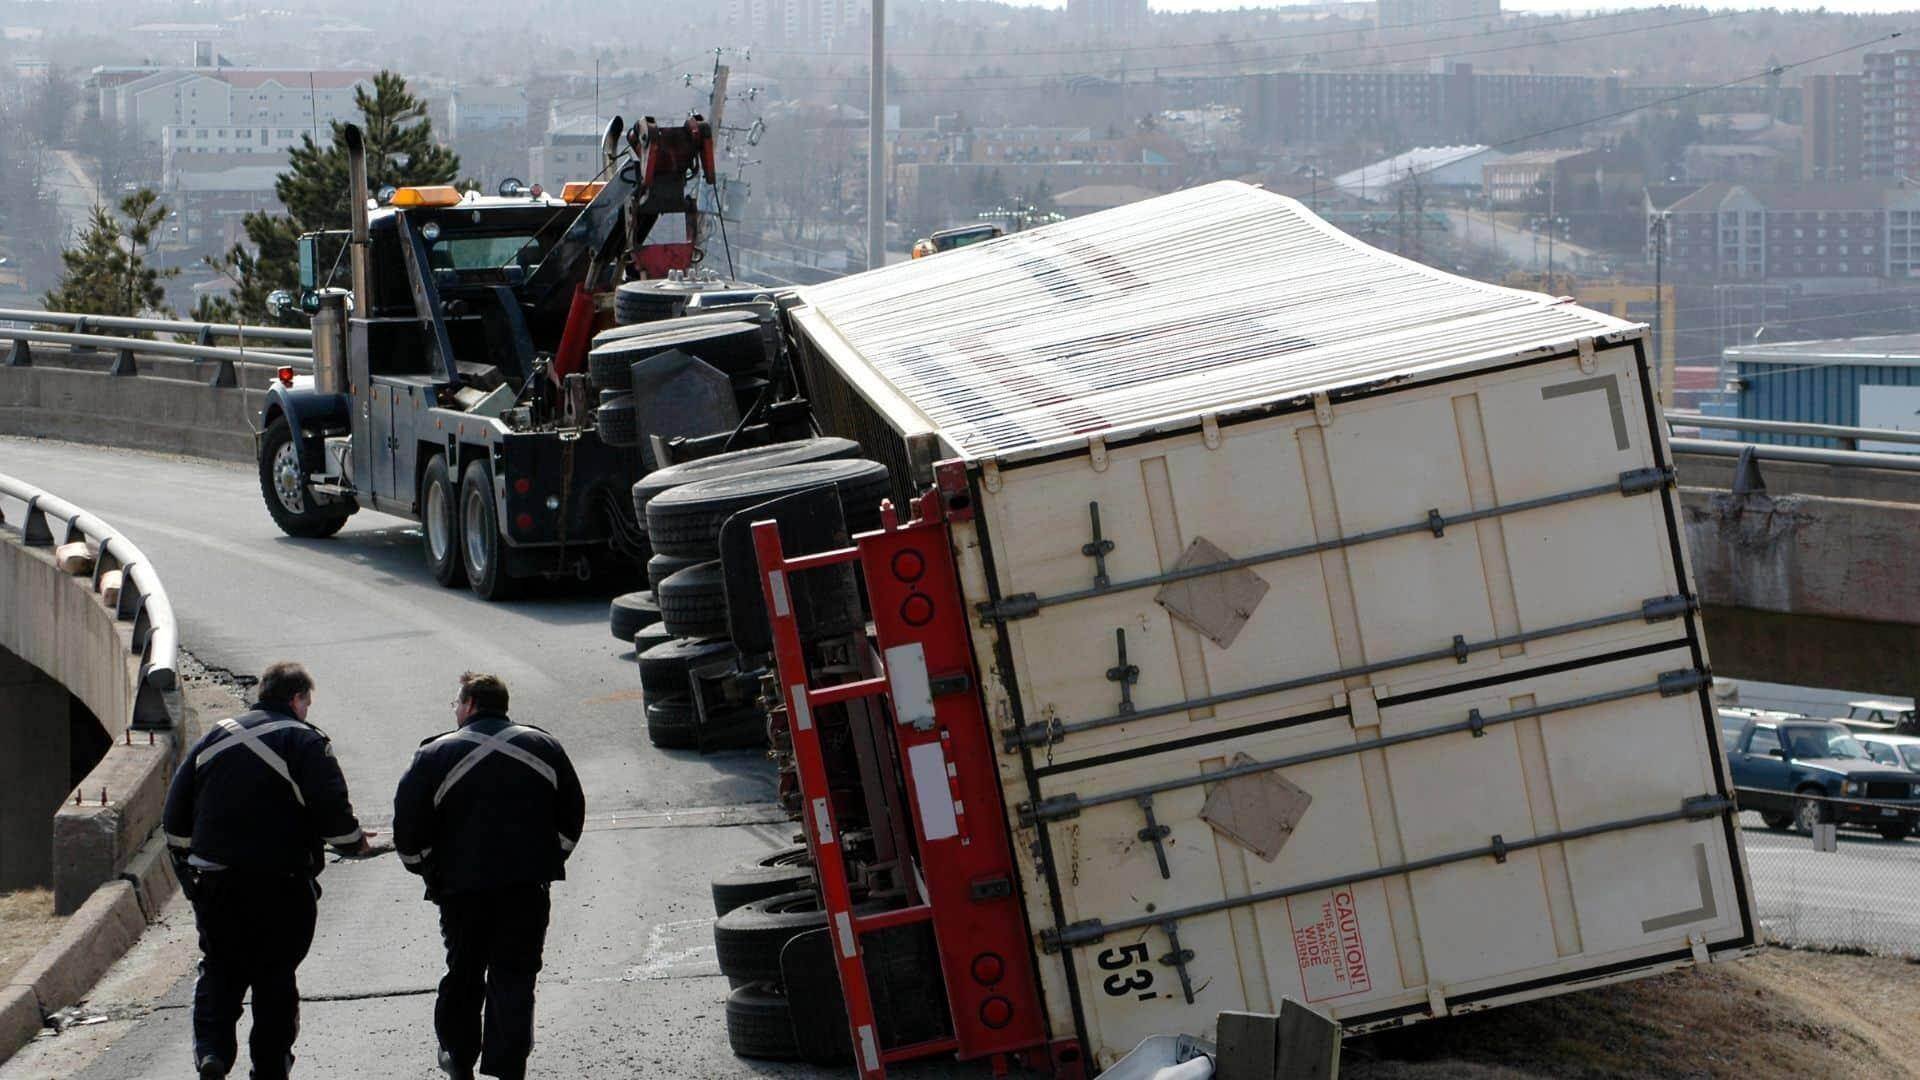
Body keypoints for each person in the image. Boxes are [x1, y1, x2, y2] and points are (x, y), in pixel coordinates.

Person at [161, 661, 378, 1080]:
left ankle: (212, 1054)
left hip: (217, 882)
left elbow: (175, 817)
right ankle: (270, 1065)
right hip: (282, 885)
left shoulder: (215, 736)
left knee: (220, 967)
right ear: (296, 699)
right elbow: (333, 812)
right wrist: (354, 843)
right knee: (275, 976)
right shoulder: (306, 741)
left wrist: (193, 880)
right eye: (307, 703)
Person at [394, 672, 585, 1080]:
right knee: (515, 976)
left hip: (460, 891)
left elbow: (409, 825)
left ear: (470, 705)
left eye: (457, 704)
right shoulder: (545, 746)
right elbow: (572, 814)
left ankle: (458, 1056)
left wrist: (424, 866)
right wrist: (549, 859)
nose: (456, 711)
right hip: (525, 888)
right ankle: (508, 1065)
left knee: (463, 972)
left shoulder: (434, 754)